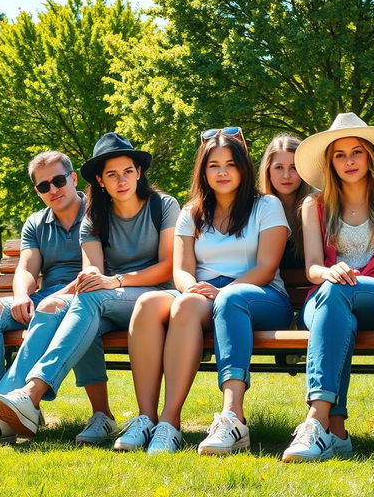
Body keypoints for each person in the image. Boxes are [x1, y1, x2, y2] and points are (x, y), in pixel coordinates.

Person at [0, 133, 180, 444]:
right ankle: (93, 414)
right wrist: (92, 281)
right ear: (100, 181)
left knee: (87, 299)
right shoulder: (94, 218)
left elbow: (169, 266)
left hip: (159, 299)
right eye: (112, 175)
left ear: (139, 172)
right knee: (78, 305)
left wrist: (115, 281)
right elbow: (92, 270)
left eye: (128, 171)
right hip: (114, 302)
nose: (121, 181)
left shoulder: (163, 205)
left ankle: (30, 394)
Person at [117, 127, 293, 455]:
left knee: (224, 299)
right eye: (214, 165)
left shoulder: (266, 206)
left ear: (243, 167)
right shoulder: (191, 212)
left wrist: (221, 292)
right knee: (148, 303)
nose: (222, 171)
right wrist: (192, 290)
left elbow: (267, 267)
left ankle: (171, 419)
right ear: (203, 170)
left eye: (230, 164)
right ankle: (151, 420)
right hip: (203, 294)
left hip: (260, 295)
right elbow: (181, 270)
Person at [280, 113, 374, 462]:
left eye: (357, 152)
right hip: (324, 296)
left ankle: (315, 418)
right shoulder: (315, 204)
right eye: (339, 154)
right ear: (329, 162)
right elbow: (311, 268)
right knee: (337, 304)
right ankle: (336, 432)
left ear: (370, 157)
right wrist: (329, 269)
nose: (349, 161)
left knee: (338, 295)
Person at [0, 151, 85, 446]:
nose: (52, 189)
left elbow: (98, 270)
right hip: (45, 297)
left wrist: (54, 297)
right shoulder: (36, 223)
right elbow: (27, 266)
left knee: (48, 309)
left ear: (73, 178)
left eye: (58, 180)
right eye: (43, 186)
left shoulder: (97, 214)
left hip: (82, 300)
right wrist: (20, 296)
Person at [258, 135, 312, 270]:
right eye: (279, 167)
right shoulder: (255, 208)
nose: (286, 175)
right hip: (268, 288)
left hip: (312, 288)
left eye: (294, 167)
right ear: (268, 170)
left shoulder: (318, 206)